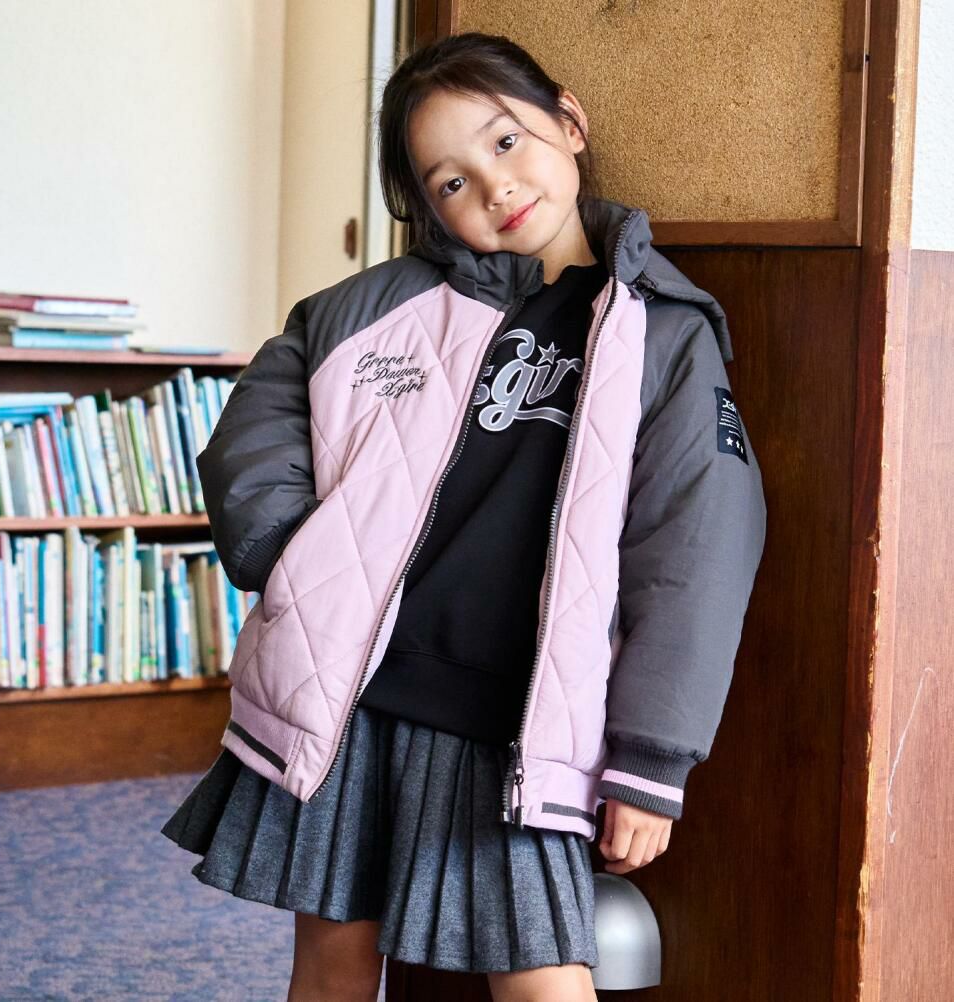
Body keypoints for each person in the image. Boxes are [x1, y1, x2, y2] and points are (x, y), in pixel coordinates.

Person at [160, 30, 767, 1002]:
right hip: (356, 700)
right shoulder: (372, 310)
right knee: (332, 965)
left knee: (540, 977)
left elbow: (697, 549)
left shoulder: (661, 329)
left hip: (521, 726)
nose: (492, 187)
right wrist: (298, 558)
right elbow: (257, 427)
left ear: (569, 122)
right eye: (449, 182)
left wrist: (652, 760)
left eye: (505, 141)